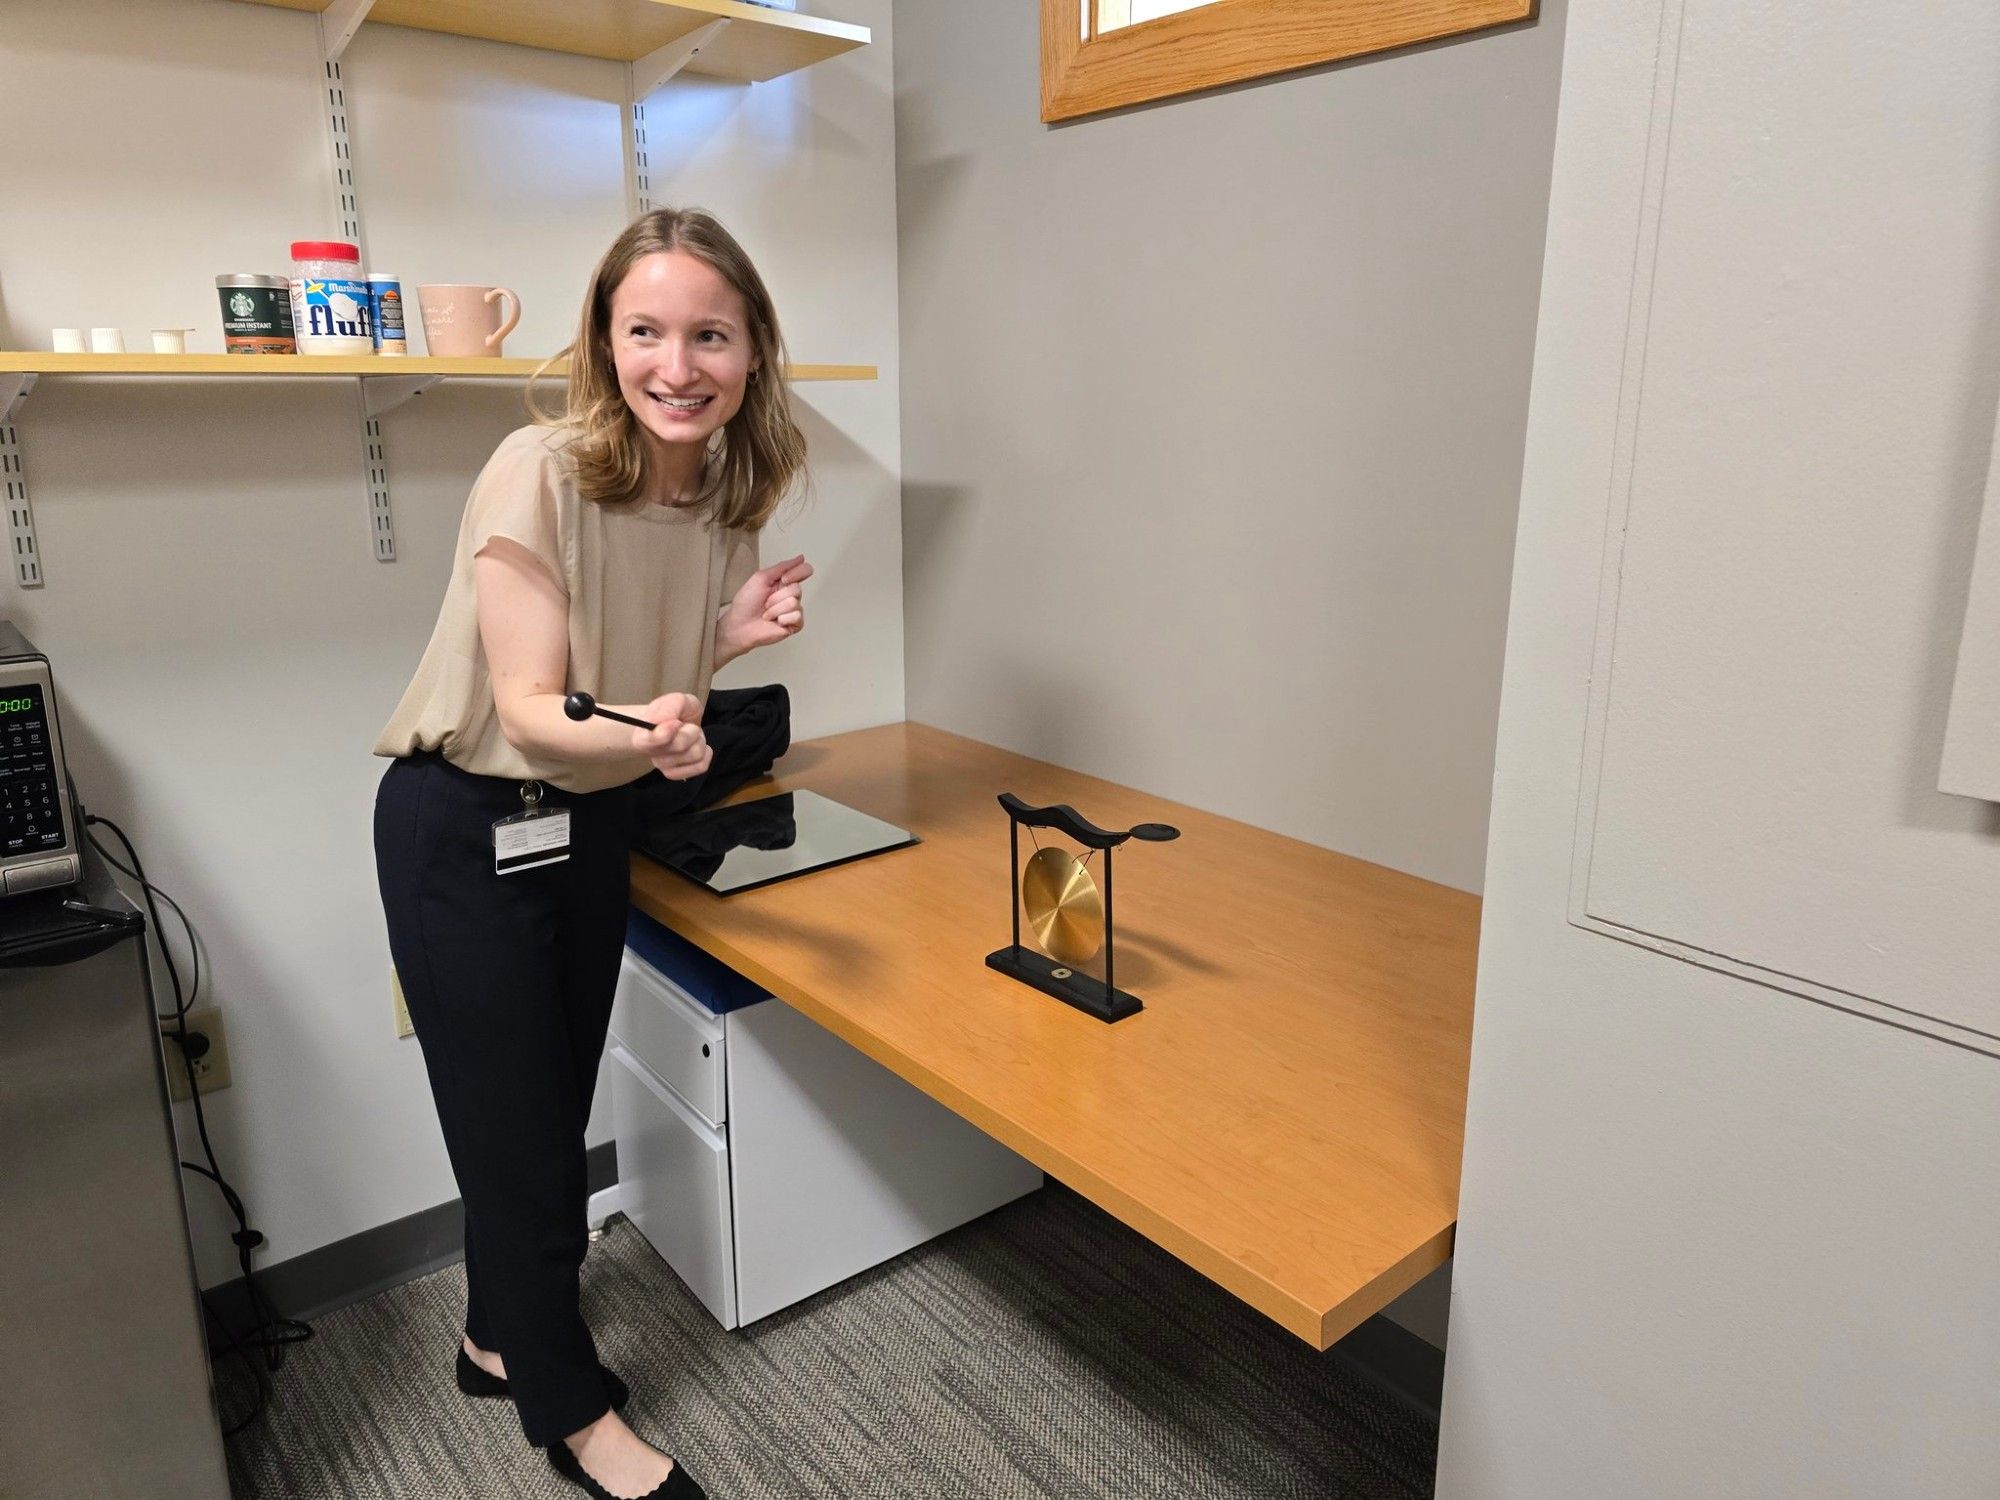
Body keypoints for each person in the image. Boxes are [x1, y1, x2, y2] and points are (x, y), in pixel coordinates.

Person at [371, 206, 814, 1500]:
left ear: (750, 353)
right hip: (467, 824)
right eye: (646, 331)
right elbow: (528, 704)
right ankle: (575, 1416)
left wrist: (719, 641)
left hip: (588, 822)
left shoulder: (725, 492)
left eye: (710, 335)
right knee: (518, 1138)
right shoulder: (541, 466)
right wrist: (663, 728)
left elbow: (626, 680)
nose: (677, 365)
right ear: (604, 341)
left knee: (546, 1112)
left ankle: (492, 1337)